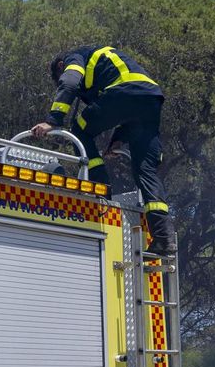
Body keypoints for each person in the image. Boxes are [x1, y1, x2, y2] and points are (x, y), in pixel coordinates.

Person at [30, 45, 174, 255]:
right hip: (150, 99)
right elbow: (131, 108)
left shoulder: (74, 57)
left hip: (125, 93)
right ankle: (163, 237)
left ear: (61, 65)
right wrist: (118, 139)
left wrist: (53, 121)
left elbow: (69, 82)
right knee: (145, 171)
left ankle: (101, 187)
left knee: (80, 130)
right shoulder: (108, 64)